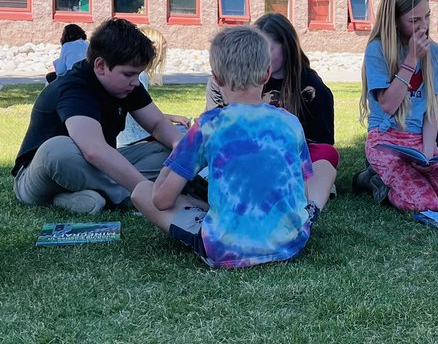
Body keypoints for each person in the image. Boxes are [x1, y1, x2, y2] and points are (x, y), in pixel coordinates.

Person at [132, 25, 314, 268]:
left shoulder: (209, 126)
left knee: (141, 192)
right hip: (291, 242)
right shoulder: (290, 122)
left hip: (227, 249)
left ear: (216, 78)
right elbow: (303, 191)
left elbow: (162, 200)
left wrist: (173, 162)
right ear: (267, 73)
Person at [12, 18, 185, 215]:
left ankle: (82, 197)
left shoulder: (126, 84)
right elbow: (93, 150)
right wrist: (144, 189)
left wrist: (182, 146)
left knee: (165, 150)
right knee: (58, 148)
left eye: (138, 75)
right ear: (101, 66)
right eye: (129, 74)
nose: (136, 82)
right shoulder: (74, 87)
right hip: (39, 176)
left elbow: (157, 123)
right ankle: (139, 196)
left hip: (94, 169)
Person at [204, 13, 340, 214]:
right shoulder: (236, 80)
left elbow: (322, 143)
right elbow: (214, 129)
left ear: (287, 47)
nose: (263, 56)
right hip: (245, 153)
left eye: (269, 48)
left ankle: (309, 210)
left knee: (327, 157)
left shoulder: (313, 87)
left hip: (291, 158)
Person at [358, 0, 438, 213]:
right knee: (426, 204)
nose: (424, 26)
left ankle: (402, 173)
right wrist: (411, 61)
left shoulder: (434, 52)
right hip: (385, 140)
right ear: (394, 21)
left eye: (427, 17)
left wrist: (427, 153)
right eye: (415, 20)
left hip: (418, 141)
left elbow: (432, 113)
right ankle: (376, 180)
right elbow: (387, 105)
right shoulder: (378, 49)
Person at [118, 26, 188, 147]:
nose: (161, 59)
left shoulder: (137, 76)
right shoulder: (140, 77)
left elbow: (139, 112)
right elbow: (139, 120)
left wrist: (170, 117)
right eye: (161, 52)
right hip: (135, 141)